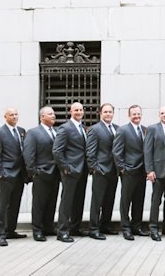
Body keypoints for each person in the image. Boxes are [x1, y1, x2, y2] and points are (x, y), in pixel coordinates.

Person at [0, 107, 28, 246]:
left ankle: (10, 230)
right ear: (5, 117)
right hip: (6, 175)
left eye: (16, 114)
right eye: (11, 115)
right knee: (2, 206)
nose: (14, 116)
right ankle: (0, 234)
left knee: (14, 204)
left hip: (19, 176)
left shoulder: (21, 131)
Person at [53, 102, 89, 242]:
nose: (79, 112)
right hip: (70, 171)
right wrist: (66, 167)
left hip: (82, 170)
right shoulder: (65, 128)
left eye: (81, 110)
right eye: (76, 110)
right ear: (70, 112)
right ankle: (62, 231)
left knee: (79, 201)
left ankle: (75, 227)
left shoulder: (84, 128)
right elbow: (57, 151)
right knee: (67, 202)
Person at [113, 105, 149, 241]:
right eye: (134, 114)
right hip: (128, 171)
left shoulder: (145, 130)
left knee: (139, 200)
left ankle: (137, 226)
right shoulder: (122, 130)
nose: (137, 116)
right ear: (129, 116)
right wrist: (122, 168)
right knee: (125, 201)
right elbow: (117, 151)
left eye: (138, 114)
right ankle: (126, 228)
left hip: (142, 172)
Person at [23, 106, 59, 242]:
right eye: (50, 114)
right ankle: (37, 230)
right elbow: (28, 154)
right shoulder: (33, 133)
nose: (53, 116)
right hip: (41, 174)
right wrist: (33, 173)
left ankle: (48, 227)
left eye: (54, 114)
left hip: (55, 174)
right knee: (39, 204)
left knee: (51, 203)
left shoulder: (56, 132)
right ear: (42, 116)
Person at [144, 106, 165, 241]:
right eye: (162, 113)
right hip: (158, 171)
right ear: (159, 115)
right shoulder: (152, 129)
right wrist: (149, 170)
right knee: (156, 201)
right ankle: (153, 229)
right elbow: (147, 151)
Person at [86, 103, 119, 240]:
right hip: (101, 171)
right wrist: (95, 168)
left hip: (113, 171)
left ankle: (105, 225)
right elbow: (90, 152)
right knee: (97, 201)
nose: (108, 114)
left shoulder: (117, 128)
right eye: (105, 112)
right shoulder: (94, 129)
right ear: (100, 114)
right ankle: (93, 229)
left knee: (109, 200)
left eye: (110, 112)